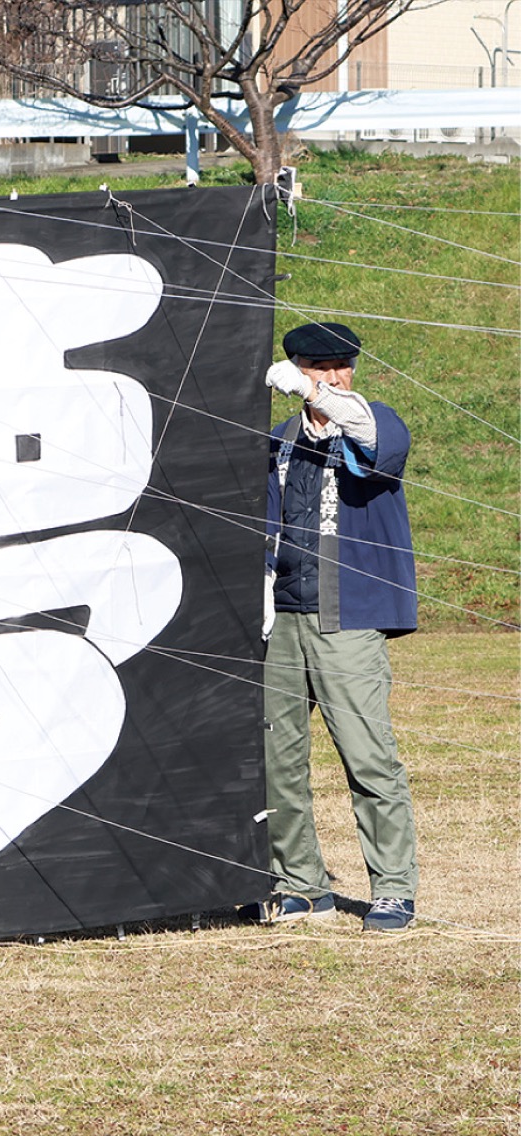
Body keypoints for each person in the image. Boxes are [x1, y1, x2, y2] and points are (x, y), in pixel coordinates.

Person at [261, 321, 419, 933]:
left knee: (368, 757)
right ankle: (300, 882)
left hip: (347, 617)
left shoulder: (377, 421)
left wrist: (315, 396)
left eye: (339, 368)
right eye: (317, 368)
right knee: (278, 759)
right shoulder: (277, 439)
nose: (332, 377)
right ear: (298, 366)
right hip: (283, 615)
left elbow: (372, 439)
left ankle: (393, 888)